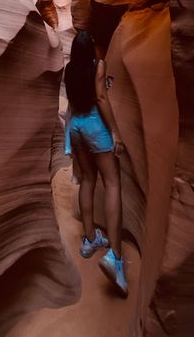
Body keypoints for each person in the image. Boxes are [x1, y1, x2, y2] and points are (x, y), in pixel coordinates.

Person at [64, 30, 128, 297]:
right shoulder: (97, 65)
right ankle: (115, 257)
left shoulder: (69, 69)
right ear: (91, 49)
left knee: (88, 179)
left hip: (76, 126)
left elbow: (75, 97)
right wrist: (115, 132)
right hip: (93, 125)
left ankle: (90, 240)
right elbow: (100, 98)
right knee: (113, 184)